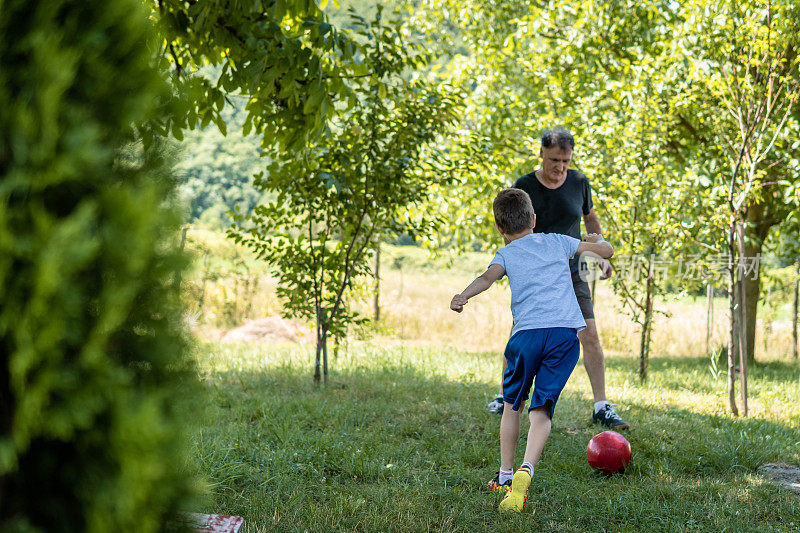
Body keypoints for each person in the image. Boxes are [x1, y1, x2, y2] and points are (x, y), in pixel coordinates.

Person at [450, 188, 614, 512]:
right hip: (565, 336)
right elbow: (605, 251)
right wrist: (597, 239)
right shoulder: (557, 241)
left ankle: (505, 476)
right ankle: (528, 467)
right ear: (534, 219)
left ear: (499, 227)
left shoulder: (505, 255)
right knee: (542, 408)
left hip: (526, 336)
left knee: (512, 405)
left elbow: (487, 278)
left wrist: (463, 295)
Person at [486, 128, 630, 430]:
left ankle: (601, 406)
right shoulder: (524, 186)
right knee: (522, 331)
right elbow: (512, 228)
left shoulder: (579, 182)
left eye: (565, 160)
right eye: (554, 159)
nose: (560, 167)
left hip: (574, 269)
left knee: (589, 332)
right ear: (541, 153)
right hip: (537, 272)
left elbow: (589, 218)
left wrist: (599, 253)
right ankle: (505, 396)